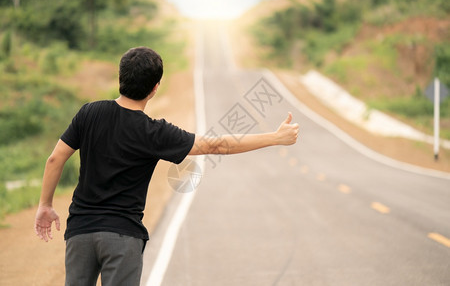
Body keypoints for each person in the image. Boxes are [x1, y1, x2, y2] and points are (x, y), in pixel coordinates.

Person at [34, 46, 299, 286]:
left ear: (121, 78)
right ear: (155, 87)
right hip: (122, 237)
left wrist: (45, 205)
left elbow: (55, 159)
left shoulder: (89, 113)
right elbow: (214, 146)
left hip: (80, 231)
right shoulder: (154, 133)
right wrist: (274, 137)